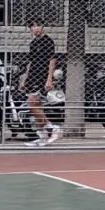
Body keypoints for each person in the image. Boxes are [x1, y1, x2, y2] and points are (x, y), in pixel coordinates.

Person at [21, 19, 61, 147]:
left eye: (38, 25)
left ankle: (51, 127)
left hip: (42, 75)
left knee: (32, 103)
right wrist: (25, 78)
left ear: (43, 27)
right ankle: (42, 136)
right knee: (35, 106)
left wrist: (49, 79)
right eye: (33, 26)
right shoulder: (33, 43)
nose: (36, 28)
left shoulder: (47, 41)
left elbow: (52, 60)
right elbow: (30, 62)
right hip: (33, 75)